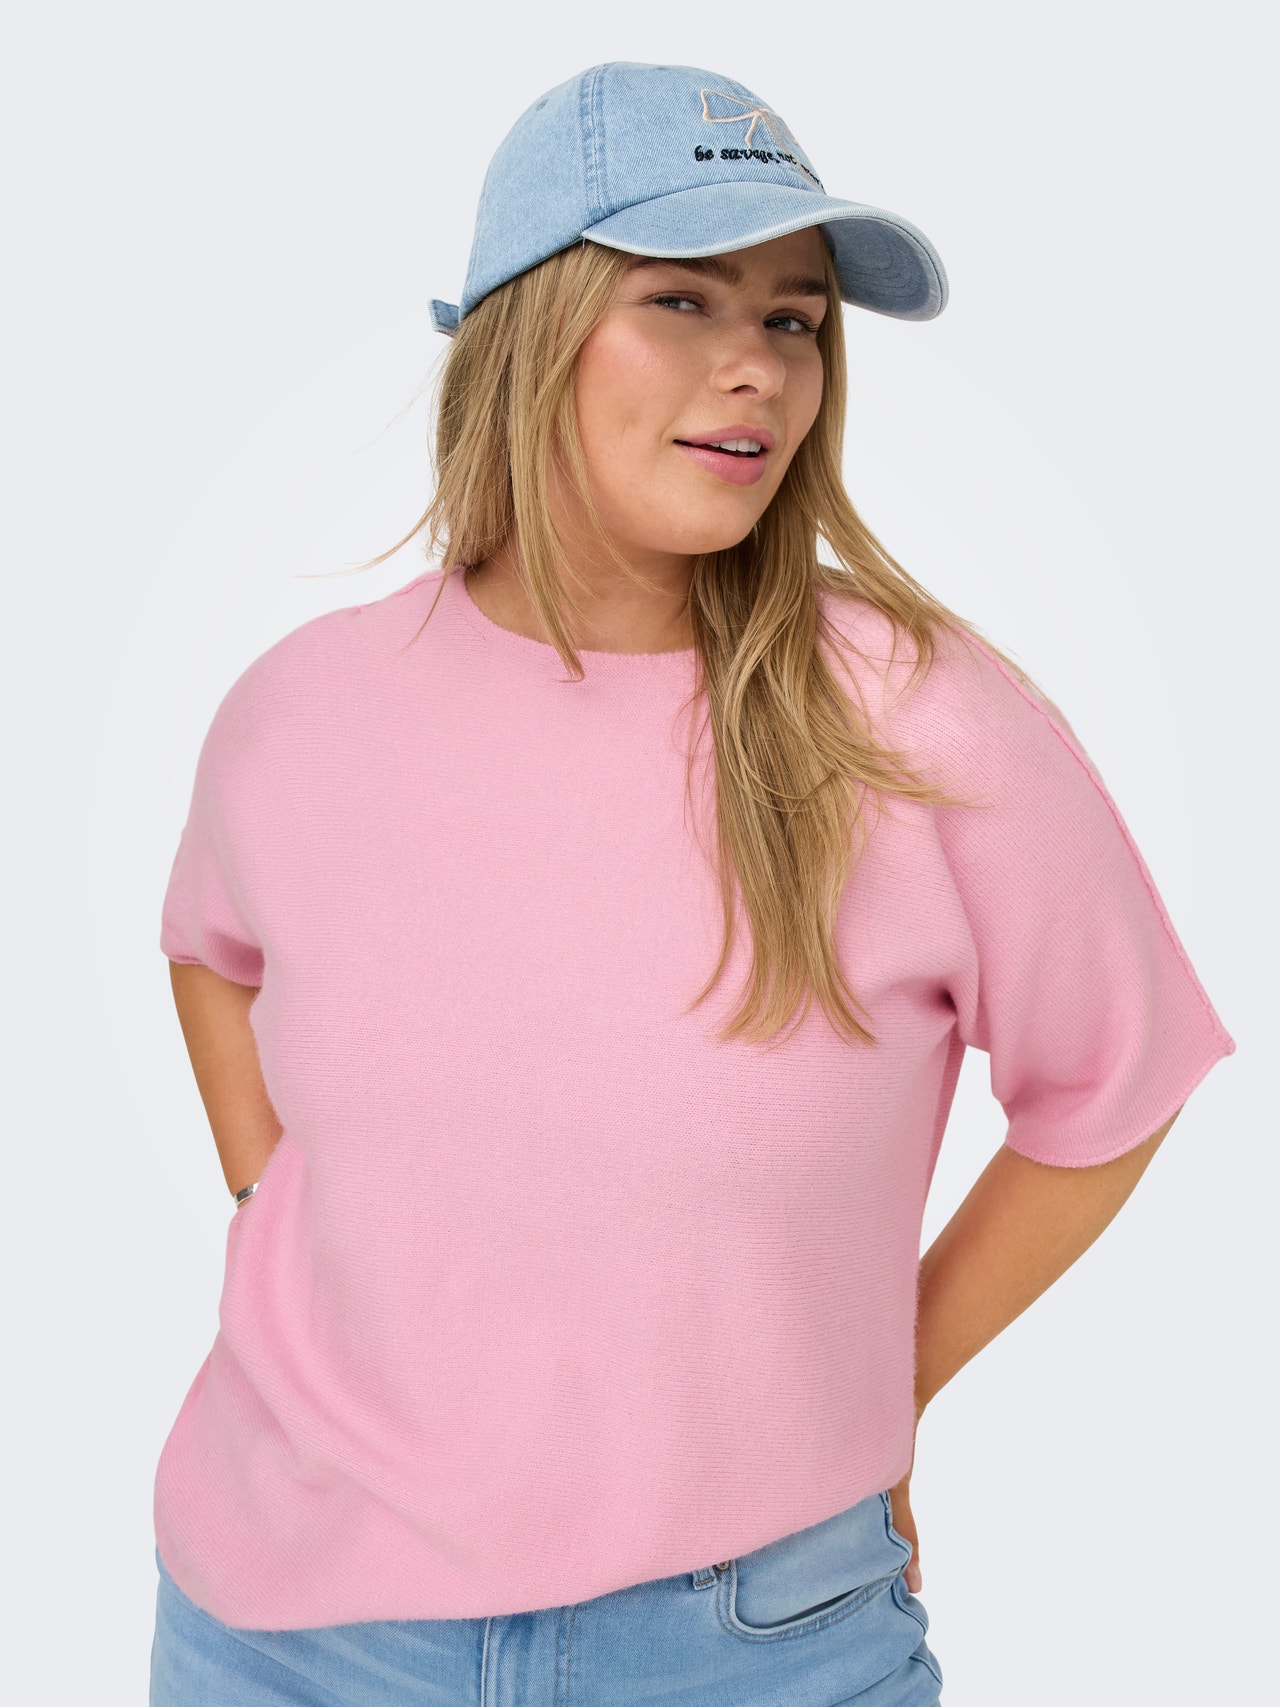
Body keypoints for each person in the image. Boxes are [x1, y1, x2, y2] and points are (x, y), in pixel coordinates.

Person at [148, 61, 1235, 1707]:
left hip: (753, 1640)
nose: (759, 367)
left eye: (796, 318)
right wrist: (267, 1207)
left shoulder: (912, 715)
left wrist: (888, 1385)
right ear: (526, 327)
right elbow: (210, 953)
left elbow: (1116, 1085)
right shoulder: (299, 710)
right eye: (684, 298)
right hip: (286, 1632)